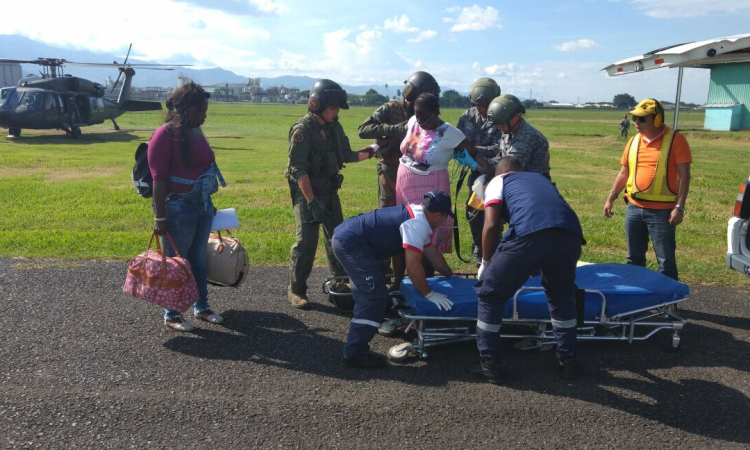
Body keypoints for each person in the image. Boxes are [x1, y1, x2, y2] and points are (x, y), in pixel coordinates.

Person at [473, 157, 585, 383]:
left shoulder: (498, 181)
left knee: (490, 295)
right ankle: (568, 362)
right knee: (562, 297)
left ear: (499, 172)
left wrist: (486, 262)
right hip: (569, 235)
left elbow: (492, 224)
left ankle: (490, 365)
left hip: (529, 236)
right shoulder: (541, 179)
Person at [332, 190, 457, 368]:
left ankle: (359, 336)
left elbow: (432, 255)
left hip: (350, 238)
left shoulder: (418, 215)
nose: (444, 221)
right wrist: (428, 294)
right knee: (374, 296)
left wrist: (452, 276)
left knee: (367, 296)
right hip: (351, 243)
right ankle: (355, 354)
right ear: (439, 215)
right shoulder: (417, 224)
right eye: (445, 217)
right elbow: (413, 268)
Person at [286, 79, 382, 310]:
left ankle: (339, 283)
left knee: (338, 239)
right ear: (317, 104)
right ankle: (296, 289)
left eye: (338, 107)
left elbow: (346, 155)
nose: (336, 111)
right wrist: (311, 203)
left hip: (329, 190)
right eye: (333, 107)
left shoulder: (334, 127)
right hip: (307, 193)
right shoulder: (302, 130)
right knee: (306, 242)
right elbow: (299, 170)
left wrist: (374, 151)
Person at [148, 81, 226, 331]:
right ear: (184, 110)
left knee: (198, 259)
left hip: (201, 206)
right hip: (178, 208)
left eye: (205, 111)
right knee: (176, 262)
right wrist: (160, 218)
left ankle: (201, 307)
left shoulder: (195, 131)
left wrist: (208, 203)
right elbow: (158, 179)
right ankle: (172, 315)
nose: (204, 117)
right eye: (199, 111)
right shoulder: (164, 134)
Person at [395, 92, 487, 283]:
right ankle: (399, 283)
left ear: (436, 112)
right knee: (404, 230)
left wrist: (489, 172)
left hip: (430, 187)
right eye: (417, 115)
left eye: (424, 117)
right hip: (404, 184)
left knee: (426, 237)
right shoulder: (413, 121)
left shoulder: (450, 133)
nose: (419, 120)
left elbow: (474, 152)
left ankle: (425, 283)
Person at [603, 98, 691, 280]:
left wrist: (679, 207)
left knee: (666, 261)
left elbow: (685, 176)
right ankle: (636, 301)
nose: (636, 123)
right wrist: (611, 197)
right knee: (633, 259)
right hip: (634, 208)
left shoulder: (676, 139)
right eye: (635, 118)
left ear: (657, 119)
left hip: (663, 212)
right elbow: (623, 172)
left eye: (642, 119)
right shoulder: (634, 141)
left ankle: (668, 304)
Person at [358, 71, 440, 209]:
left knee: (414, 211)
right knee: (388, 211)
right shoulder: (390, 108)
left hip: (417, 170)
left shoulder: (425, 113)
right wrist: (394, 130)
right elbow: (363, 130)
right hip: (391, 168)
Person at [457, 78, 503, 265]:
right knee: (473, 213)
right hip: (477, 176)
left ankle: (495, 251)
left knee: (496, 216)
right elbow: (459, 144)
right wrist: (472, 157)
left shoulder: (502, 115)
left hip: (499, 174)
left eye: (485, 105)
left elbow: (502, 148)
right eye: (478, 105)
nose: (481, 109)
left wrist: (475, 151)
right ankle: (479, 247)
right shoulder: (467, 117)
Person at [487, 94, 551, 178]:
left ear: (515, 117)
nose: (499, 127)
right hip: (519, 183)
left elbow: (507, 169)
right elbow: (501, 158)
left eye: (501, 123)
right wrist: (476, 155)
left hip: (533, 187)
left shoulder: (527, 137)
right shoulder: (509, 131)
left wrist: (481, 165)